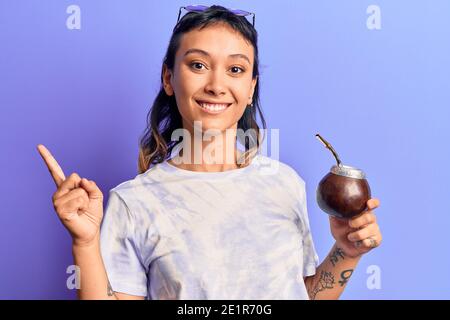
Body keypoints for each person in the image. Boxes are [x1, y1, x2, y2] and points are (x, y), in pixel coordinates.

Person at [37, 5, 382, 300]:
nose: (217, 85)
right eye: (198, 65)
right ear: (169, 79)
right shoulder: (134, 201)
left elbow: (301, 292)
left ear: (250, 88)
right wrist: (84, 243)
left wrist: (347, 252)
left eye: (235, 69)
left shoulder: (285, 183)